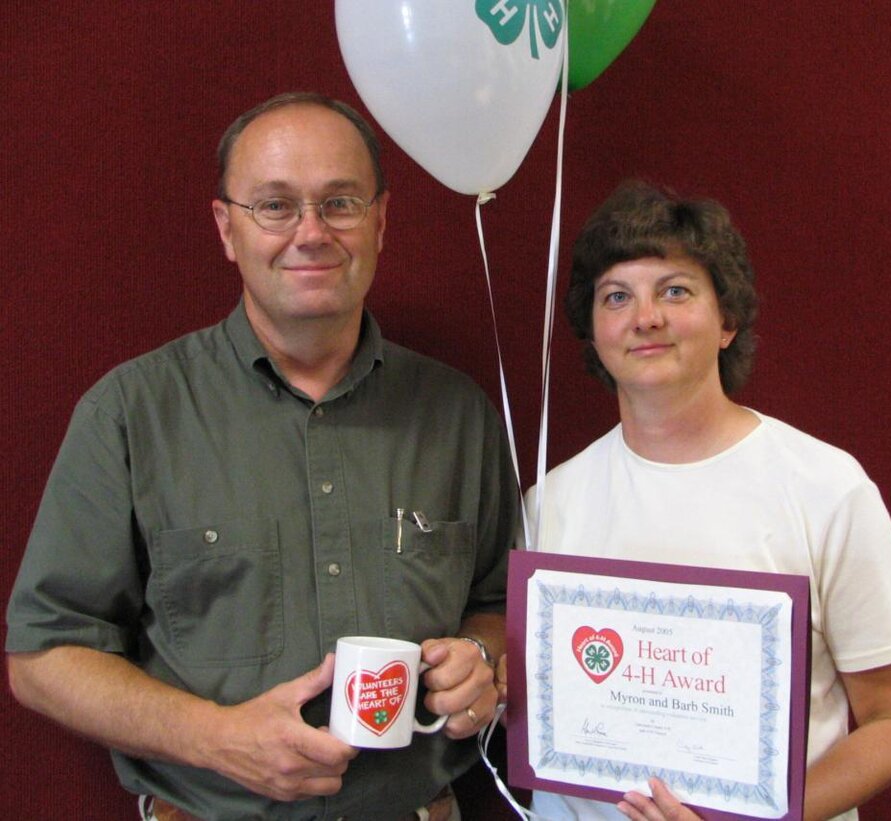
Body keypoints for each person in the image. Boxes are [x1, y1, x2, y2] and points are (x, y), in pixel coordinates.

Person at [6, 92, 518, 821]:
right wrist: (216, 738)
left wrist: (477, 660)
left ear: (379, 221)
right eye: (274, 206)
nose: (311, 232)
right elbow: (42, 658)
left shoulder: (459, 414)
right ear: (227, 229)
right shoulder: (130, 413)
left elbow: (500, 602)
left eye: (339, 202)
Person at [502, 181, 891, 820]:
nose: (646, 317)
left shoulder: (826, 488)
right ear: (592, 332)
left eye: (675, 290)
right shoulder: (550, 502)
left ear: (727, 320)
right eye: (617, 296)